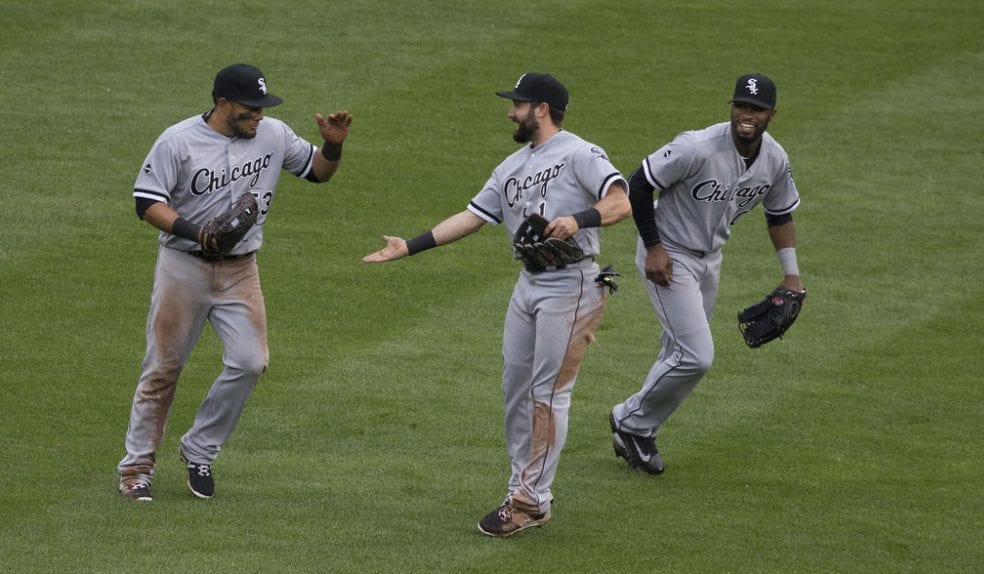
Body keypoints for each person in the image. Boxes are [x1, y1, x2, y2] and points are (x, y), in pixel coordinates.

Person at [363, 72, 631, 537]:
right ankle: (521, 488)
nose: (511, 112)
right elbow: (472, 216)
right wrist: (410, 246)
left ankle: (530, 502)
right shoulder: (511, 167)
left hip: (572, 285)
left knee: (548, 394)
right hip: (529, 283)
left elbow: (621, 202)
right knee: (516, 390)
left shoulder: (580, 153)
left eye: (518, 104)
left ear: (541, 109)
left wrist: (577, 219)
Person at [118, 63, 353, 501]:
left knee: (250, 362)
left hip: (241, 270)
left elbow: (317, 172)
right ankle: (136, 469)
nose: (259, 116)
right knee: (163, 370)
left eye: (263, 108)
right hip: (184, 267)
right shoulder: (177, 141)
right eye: (250, 109)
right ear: (223, 103)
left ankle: (199, 448)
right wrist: (197, 233)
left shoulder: (274, 134)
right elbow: (146, 202)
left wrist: (333, 146)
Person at [608, 73, 805, 475]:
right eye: (741, 106)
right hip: (668, 254)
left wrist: (792, 277)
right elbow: (639, 184)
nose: (747, 115)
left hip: (711, 259)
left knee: (676, 350)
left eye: (756, 109)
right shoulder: (696, 147)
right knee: (696, 355)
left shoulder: (774, 159)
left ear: (772, 114)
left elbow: (780, 213)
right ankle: (629, 420)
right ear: (731, 107)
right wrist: (654, 247)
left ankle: (640, 432)